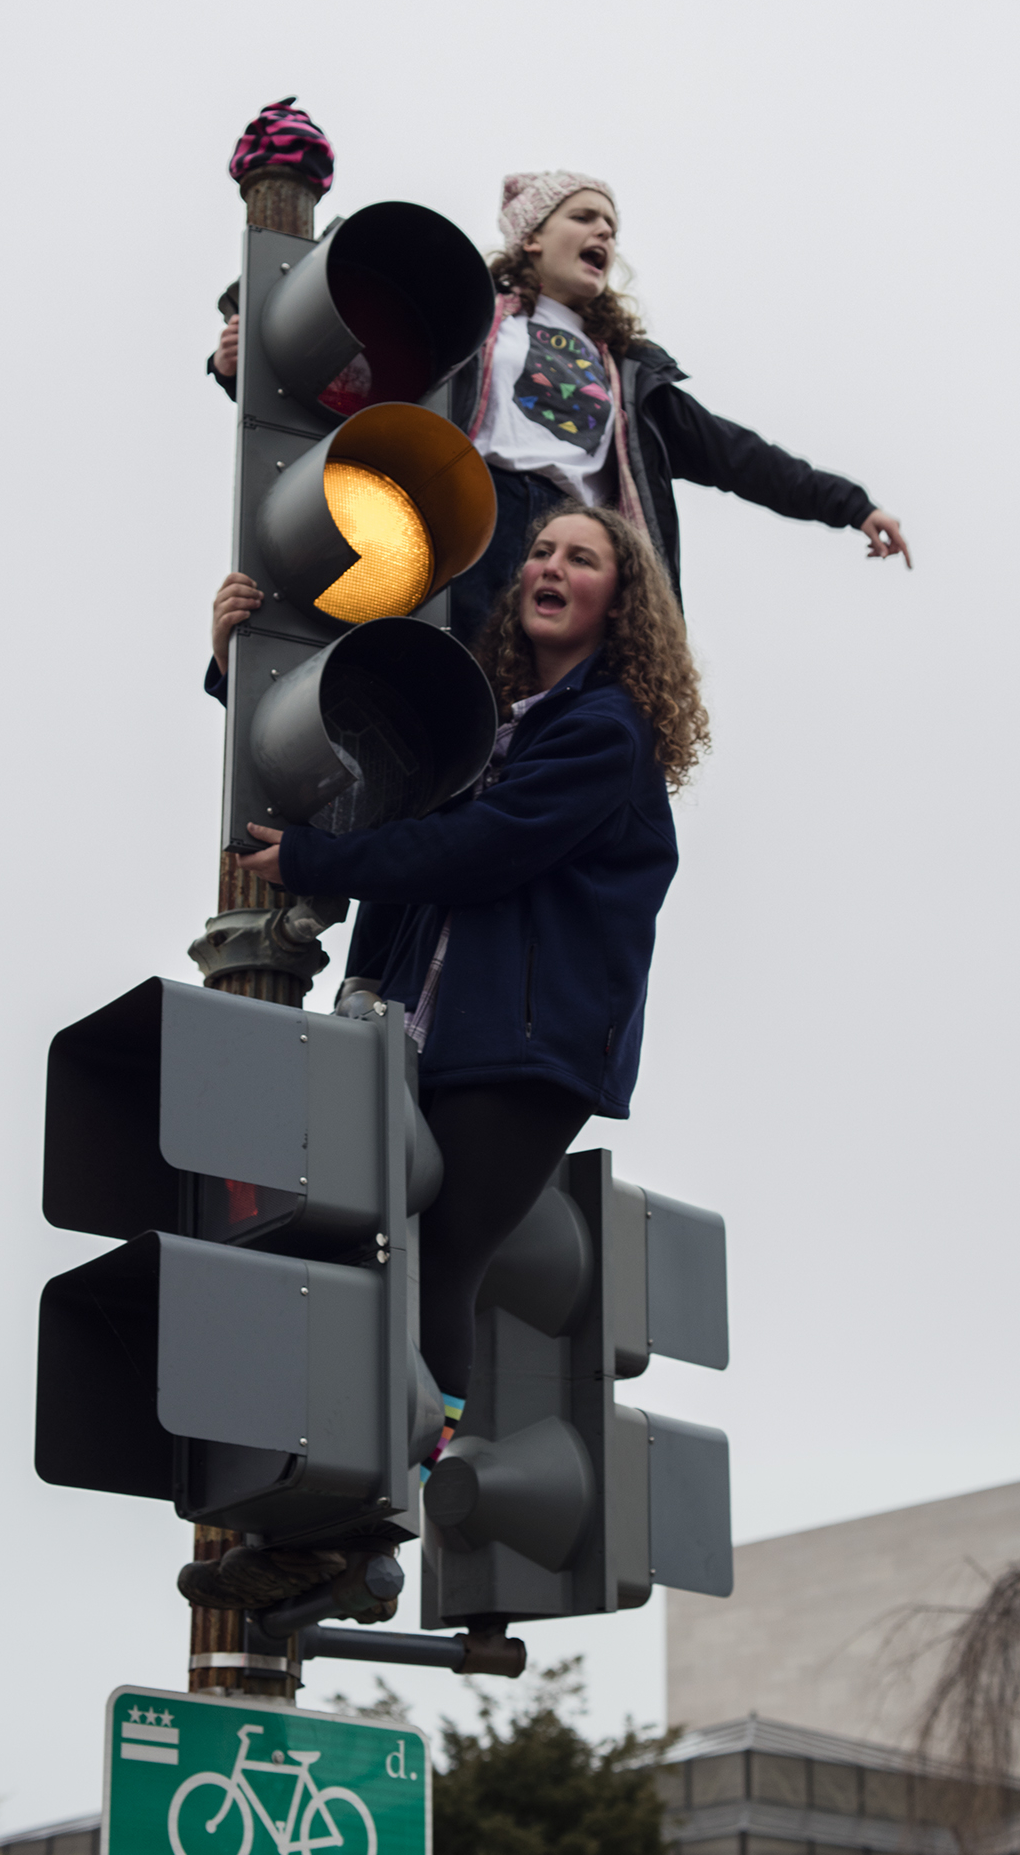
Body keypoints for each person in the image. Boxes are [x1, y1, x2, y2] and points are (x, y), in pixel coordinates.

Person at [187, 500, 709, 1617]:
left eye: (580, 557)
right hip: (420, 1028)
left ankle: (382, 1510)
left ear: (622, 601)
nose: (547, 566)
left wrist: (328, 856)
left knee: (436, 1250)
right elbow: (361, 780)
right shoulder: (500, 723)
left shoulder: (604, 733)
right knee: (355, 1249)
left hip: (524, 1051)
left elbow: (481, 847)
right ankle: (326, 1519)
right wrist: (238, 673)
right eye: (539, 551)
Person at [210, 164, 911, 641]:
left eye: (612, 224)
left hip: (574, 531)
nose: (605, 232)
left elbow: (737, 454)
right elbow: (356, 381)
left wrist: (848, 504)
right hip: (471, 507)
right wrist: (239, 369)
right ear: (533, 236)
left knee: (553, 694)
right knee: (452, 669)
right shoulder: (471, 322)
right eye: (585, 216)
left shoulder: (629, 372)